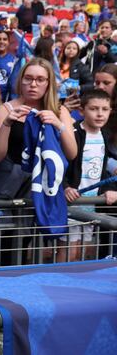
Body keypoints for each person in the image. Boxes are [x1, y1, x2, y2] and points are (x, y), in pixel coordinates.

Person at [0, 58, 77, 199]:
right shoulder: (5, 109)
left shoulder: (60, 111)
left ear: (49, 83)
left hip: (43, 186)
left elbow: (72, 153)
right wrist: (7, 123)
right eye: (28, 79)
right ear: (20, 81)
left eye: (40, 79)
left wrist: (58, 125)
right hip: (7, 185)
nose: (33, 84)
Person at [62, 89, 117, 261]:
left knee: (83, 252)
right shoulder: (73, 133)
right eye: (94, 109)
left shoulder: (105, 135)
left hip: (91, 205)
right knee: (68, 252)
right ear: (81, 111)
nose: (100, 114)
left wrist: (107, 189)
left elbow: (103, 170)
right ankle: (61, 285)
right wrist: (65, 187)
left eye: (104, 109)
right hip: (71, 203)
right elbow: (58, 164)